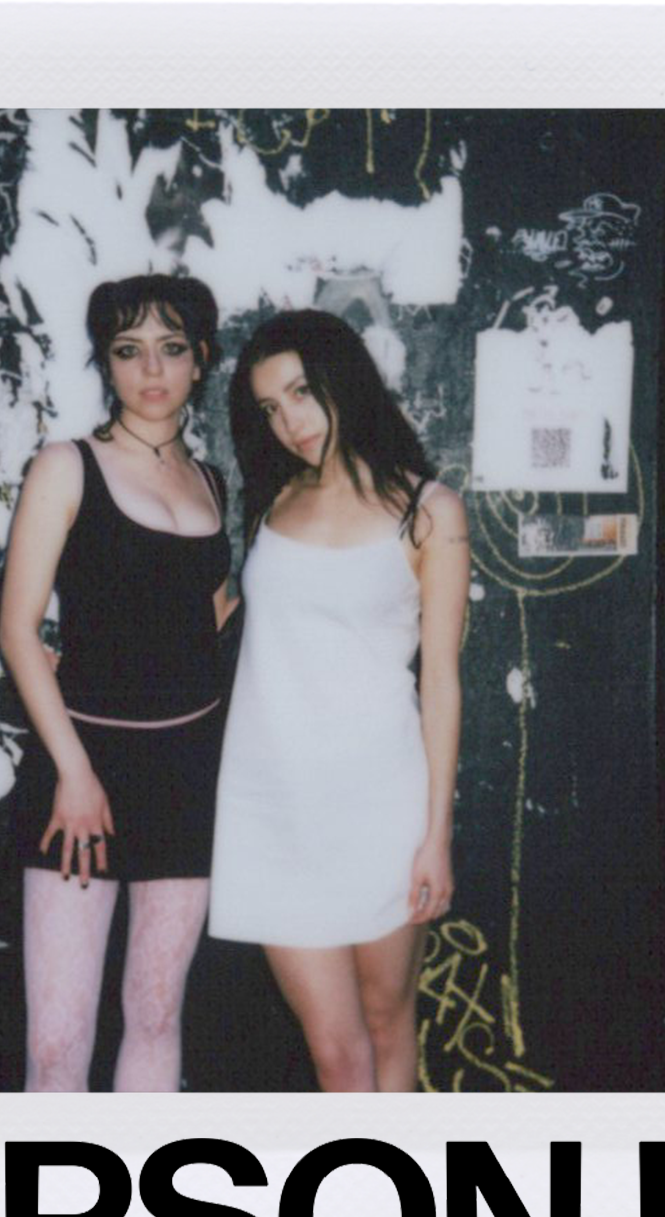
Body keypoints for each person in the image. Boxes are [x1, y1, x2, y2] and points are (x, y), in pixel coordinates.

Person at [209, 309, 470, 1092]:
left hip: (380, 805)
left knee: (388, 1023)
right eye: (269, 407)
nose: (289, 422)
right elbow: (235, 620)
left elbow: (441, 681)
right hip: (269, 806)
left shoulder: (430, 510)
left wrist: (436, 835)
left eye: (301, 393)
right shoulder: (272, 502)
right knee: (334, 1050)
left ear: (343, 381)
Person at [0, 274, 232, 1092]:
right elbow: (17, 630)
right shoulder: (67, 466)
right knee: (58, 1044)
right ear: (106, 361)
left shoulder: (212, 481)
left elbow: (210, 619)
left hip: (186, 775)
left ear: (201, 359)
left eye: (172, 348)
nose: (152, 370)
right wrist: (73, 773)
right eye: (130, 351)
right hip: (81, 769)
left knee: (157, 1015)